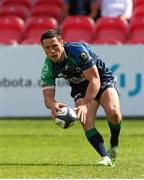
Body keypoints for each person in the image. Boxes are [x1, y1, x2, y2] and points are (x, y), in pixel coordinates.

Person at [40, 29, 122, 167]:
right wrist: (53, 105)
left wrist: (85, 103)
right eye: (47, 48)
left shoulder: (77, 51)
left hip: (102, 79)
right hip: (80, 87)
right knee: (86, 120)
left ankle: (114, 142)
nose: (52, 50)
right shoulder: (48, 66)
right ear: (43, 49)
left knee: (113, 113)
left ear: (61, 42)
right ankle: (105, 157)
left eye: (54, 46)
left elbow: (95, 80)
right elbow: (48, 98)